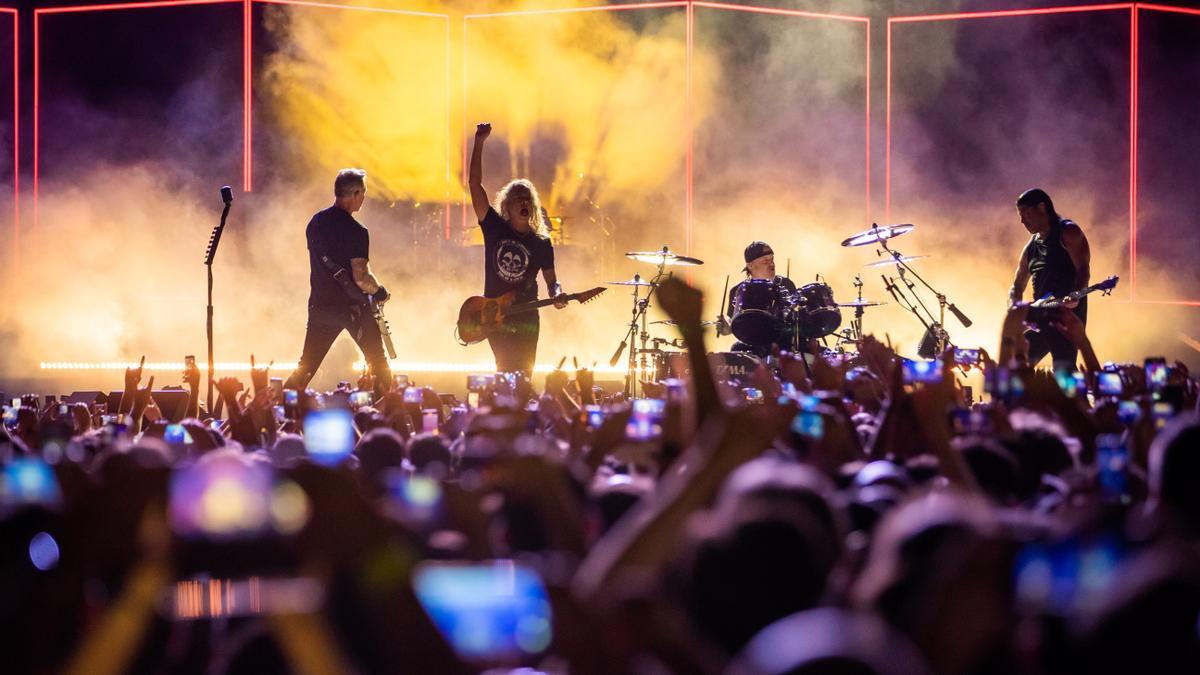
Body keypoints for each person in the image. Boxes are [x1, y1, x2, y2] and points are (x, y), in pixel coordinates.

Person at [283, 168, 393, 396]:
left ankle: (275, 413)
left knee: (306, 367)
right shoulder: (357, 231)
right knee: (380, 368)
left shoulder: (316, 223)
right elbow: (361, 277)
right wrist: (381, 292)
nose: (364, 197)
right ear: (354, 194)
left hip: (321, 307)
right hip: (354, 309)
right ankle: (383, 420)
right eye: (363, 192)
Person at [468, 122, 567, 374]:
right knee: (505, 370)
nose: (524, 201)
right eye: (518, 198)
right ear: (508, 205)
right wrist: (479, 143)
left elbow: (552, 280)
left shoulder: (542, 242)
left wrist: (557, 293)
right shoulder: (494, 228)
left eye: (528, 198)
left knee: (525, 373)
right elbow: (474, 184)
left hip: (527, 317)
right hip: (495, 316)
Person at [1007, 188, 1091, 370]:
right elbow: (1017, 284)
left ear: (1042, 207)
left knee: (1063, 369)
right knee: (1016, 364)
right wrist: (1015, 306)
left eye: (1026, 214)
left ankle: (1078, 399)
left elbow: (1084, 269)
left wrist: (1076, 295)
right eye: (1020, 215)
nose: (1022, 221)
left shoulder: (1068, 232)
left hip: (1065, 318)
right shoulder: (1031, 247)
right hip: (1041, 317)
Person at [718, 241, 799, 357]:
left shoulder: (786, 284)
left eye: (772, 260)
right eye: (765, 261)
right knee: (736, 349)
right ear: (750, 266)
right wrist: (727, 330)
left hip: (782, 341)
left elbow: (794, 319)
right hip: (752, 343)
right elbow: (736, 324)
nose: (771, 264)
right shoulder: (738, 291)